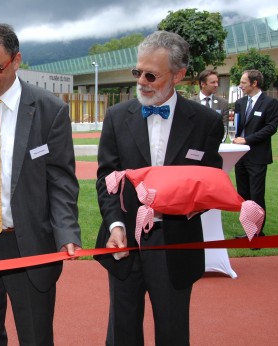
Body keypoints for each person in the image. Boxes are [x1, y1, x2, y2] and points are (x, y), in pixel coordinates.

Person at [0, 23, 81, 345]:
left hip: (29, 243)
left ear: (16, 61)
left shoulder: (50, 109)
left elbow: (61, 179)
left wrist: (66, 232)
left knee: (35, 336)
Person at [95, 31, 224, 346]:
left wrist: (188, 203)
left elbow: (210, 183)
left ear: (178, 75)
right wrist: (114, 224)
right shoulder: (115, 117)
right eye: (137, 72)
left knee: (172, 331)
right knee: (122, 331)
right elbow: (106, 178)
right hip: (124, 242)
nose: (141, 81)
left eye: (151, 75)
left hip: (176, 243)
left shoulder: (206, 122)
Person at [232, 69, 278, 238]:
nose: (240, 85)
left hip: (258, 157)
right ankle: (248, 232)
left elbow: (271, 128)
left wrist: (247, 139)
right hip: (240, 157)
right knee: (244, 196)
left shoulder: (270, 103)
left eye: (243, 83)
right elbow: (236, 127)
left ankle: (258, 234)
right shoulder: (240, 102)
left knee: (257, 195)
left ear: (254, 83)